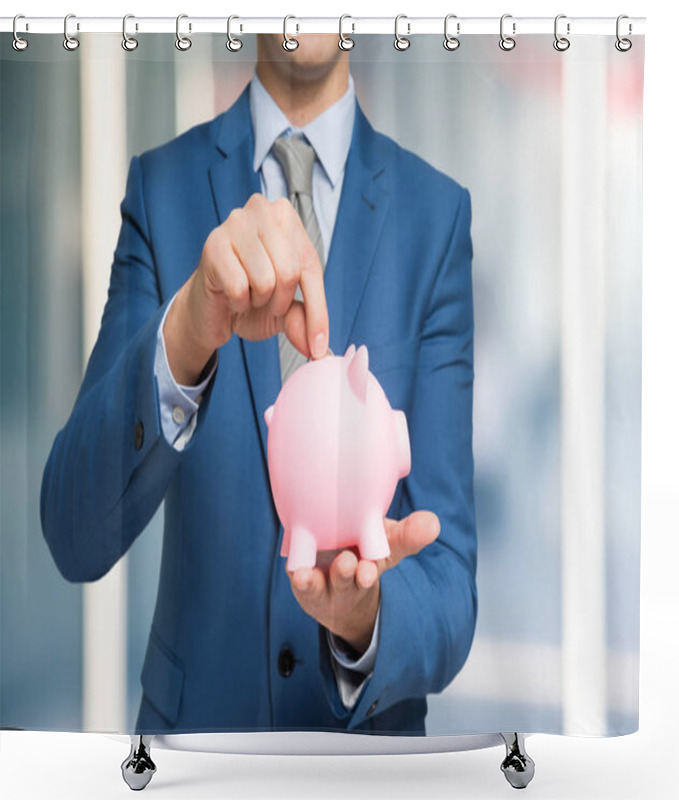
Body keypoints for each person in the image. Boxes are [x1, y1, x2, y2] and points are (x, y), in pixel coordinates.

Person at [40, 33, 476, 735]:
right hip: (196, 751)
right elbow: (72, 532)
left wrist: (363, 623)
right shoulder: (163, 189)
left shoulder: (435, 216)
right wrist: (185, 331)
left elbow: (450, 582)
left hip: (363, 770)